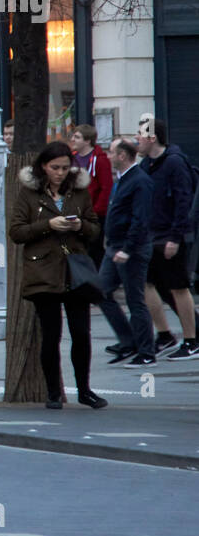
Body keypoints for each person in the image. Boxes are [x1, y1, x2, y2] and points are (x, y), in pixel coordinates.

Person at [9, 140, 107, 409]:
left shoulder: (79, 192)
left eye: (65, 167)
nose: (61, 173)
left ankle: (85, 390)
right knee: (51, 335)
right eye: (55, 167)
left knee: (81, 333)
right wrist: (48, 225)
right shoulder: (29, 194)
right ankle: (53, 391)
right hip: (43, 270)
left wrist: (79, 226)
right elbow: (16, 232)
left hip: (75, 270)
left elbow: (95, 229)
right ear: (44, 166)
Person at [136, 116, 199, 360]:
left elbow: (184, 202)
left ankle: (191, 340)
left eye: (140, 135)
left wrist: (175, 237)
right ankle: (164, 335)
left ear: (152, 138)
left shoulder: (174, 163)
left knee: (178, 287)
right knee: (147, 283)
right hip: (150, 236)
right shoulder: (145, 166)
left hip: (171, 235)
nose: (136, 140)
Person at [97, 138, 156, 366]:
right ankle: (128, 340)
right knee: (101, 291)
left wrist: (128, 249)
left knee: (135, 299)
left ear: (122, 156)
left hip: (131, 248)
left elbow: (140, 219)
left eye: (111, 152)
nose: (108, 156)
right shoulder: (122, 179)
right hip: (115, 246)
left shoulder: (139, 181)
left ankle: (146, 352)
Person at [69, 124, 113, 266]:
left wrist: (96, 211)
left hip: (94, 214)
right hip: (76, 212)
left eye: (77, 137)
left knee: (95, 249)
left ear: (87, 141)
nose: (72, 139)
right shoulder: (72, 158)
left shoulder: (100, 159)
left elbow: (106, 188)